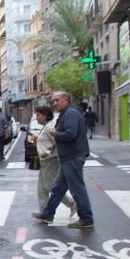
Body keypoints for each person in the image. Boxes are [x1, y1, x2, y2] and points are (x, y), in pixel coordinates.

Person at [33, 91, 93, 228]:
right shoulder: (65, 114)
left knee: (77, 189)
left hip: (73, 156)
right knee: (57, 188)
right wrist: (51, 147)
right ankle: (48, 214)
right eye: (53, 101)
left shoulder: (71, 114)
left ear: (66, 100)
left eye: (57, 100)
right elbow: (61, 137)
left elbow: (70, 134)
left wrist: (55, 133)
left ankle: (86, 218)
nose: (54, 103)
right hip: (67, 157)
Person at [33, 106, 76, 217]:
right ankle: (44, 212)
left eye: (38, 115)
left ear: (45, 116)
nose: (36, 118)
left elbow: (57, 141)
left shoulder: (50, 126)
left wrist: (47, 152)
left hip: (50, 161)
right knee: (42, 188)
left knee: (50, 186)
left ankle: (72, 203)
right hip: (45, 161)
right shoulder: (46, 126)